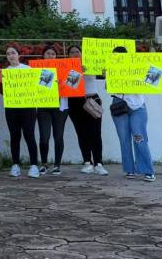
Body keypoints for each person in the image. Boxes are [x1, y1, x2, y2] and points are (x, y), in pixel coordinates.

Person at [109, 46, 156, 182]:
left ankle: (148, 170)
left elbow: (152, 79)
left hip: (138, 105)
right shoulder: (111, 68)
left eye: (120, 55)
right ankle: (130, 169)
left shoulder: (138, 65)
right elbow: (108, 88)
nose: (118, 58)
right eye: (115, 56)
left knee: (139, 136)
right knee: (124, 138)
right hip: (119, 104)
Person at [66, 45, 108, 175]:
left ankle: (99, 163)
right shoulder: (67, 68)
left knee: (95, 133)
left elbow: (105, 75)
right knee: (81, 133)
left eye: (77, 52)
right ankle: (87, 162)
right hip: (75, 102)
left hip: (92, 100)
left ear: (82, 53)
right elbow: (69, 86)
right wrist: (77, 72)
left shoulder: (91, 64)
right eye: (72, 52)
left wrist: (105, 72)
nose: (75, 54)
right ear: (68, 55)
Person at [3, 46, 40, 178]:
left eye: (13, 53)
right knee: (14, 136)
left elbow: (38, 86)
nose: (11, 56)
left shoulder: (28, 69)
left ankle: (34, 165)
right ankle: (15, 165)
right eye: (8, 54)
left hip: (28, 108)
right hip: (11, 108)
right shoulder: (4, 72)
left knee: (29, 135)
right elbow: (1, 91)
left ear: (19, 55)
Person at [36, 45, 69, 175]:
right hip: (44, 106)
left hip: (60, 106)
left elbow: (73, 82)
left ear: (56, 56)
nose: (50, 56)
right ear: (43, 56)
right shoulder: (36, 69)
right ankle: (44, 163)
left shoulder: (63, 68)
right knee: (44, 137)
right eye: (48, 53)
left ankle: (57, 165)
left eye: (53, 54)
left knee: (58, 136)